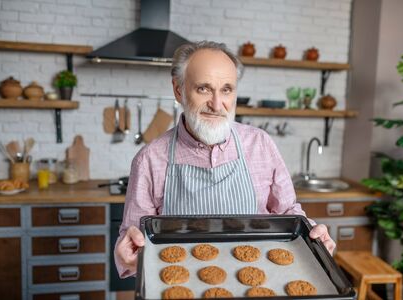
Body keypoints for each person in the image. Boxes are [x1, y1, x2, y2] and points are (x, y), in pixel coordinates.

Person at [115, 41, 335, 278]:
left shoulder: (260, 144)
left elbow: (289, 214)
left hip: (255, 283)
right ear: (178, 90)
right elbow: (133, 238)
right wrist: (127, 256)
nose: (217, 104)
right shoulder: (149, 159)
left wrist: (312, 233)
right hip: (181, 285)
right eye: (204, 89)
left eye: (227, 89)